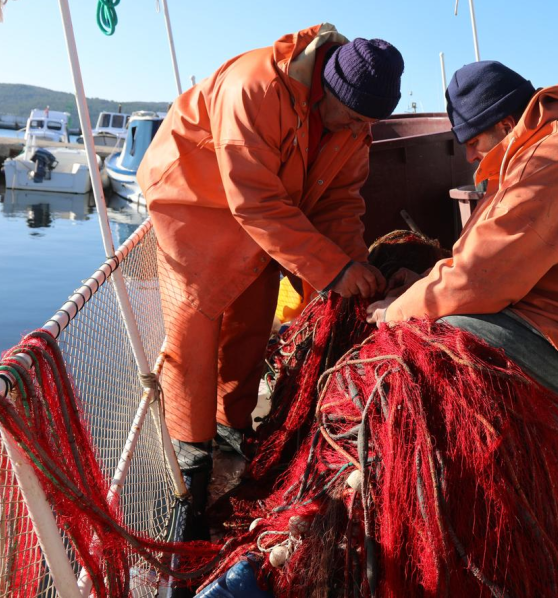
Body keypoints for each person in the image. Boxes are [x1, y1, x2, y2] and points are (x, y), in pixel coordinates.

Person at [368, 60, 558, 473]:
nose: (469, 154)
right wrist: (424, 283)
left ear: (506, 122)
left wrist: (390, 314)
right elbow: (481, 260)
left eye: (474, 139)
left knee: (447, 335)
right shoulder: (546, 150)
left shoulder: (554, 160)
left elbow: (477, 280)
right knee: (445, 315)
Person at [139, 24, 403, 484]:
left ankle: (229, 424)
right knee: (195, 318)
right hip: (194, 197)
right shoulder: (255, 87)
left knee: (254, 315)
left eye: (369, 124)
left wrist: (355, 267)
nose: (361, 130)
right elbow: (256, 202)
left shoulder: (353, 124)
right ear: (327, 88)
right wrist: (333, 269)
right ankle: (189, 450)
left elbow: (340, 203)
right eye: (355, 118)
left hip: (267, 210)